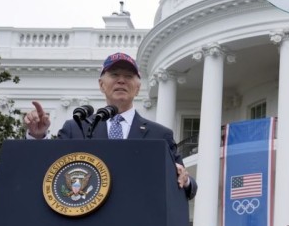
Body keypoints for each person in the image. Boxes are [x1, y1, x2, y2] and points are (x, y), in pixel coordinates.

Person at [23, 52, 197, 197]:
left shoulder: (159, 135)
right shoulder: (77, 127)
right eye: (114, 75)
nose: (121, 80)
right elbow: (51, 172)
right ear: (101, 85)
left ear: (137, 88)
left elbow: (188, 185)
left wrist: (185, 179)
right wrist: (38, 138)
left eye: (128, 76)